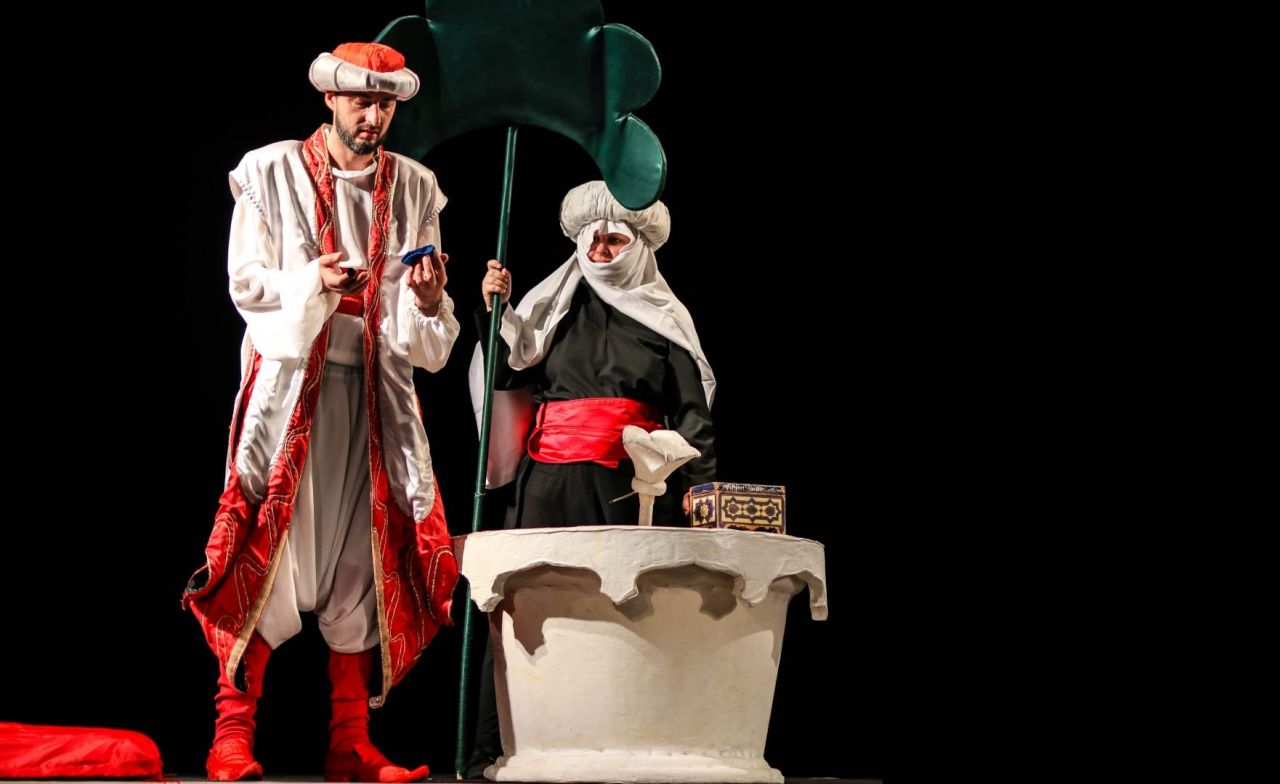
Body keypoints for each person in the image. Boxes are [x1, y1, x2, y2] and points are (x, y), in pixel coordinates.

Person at [181, 42, 460, 783]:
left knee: (365, 558)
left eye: (386, 104)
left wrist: (430, 302)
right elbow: (246, 283)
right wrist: (314, 281)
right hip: (290, 390)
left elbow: (425, 334)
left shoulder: (416, 188)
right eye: (361, 102)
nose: (374, 117)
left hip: (374, 398)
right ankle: (231, 737)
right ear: (331, 100)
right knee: (266, 549)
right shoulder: (269, 171)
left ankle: (350, 743)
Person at [465, 180, 715, 775]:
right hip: (546, 486)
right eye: (592, 240)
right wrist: (495, 313)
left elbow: (692, 418)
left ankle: (609, 746)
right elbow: (506, 375)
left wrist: (701, 497)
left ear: (639, 245)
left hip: (631, 491)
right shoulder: (552, 307)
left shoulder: (665, 322)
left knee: (621, 617)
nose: (600, 251)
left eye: (614, 241)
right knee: (523, 611)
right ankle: (492, 750)